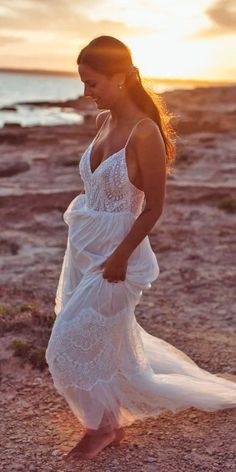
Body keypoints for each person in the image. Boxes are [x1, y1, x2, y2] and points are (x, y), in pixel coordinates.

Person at [45, 36, 236, 461]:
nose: (86, 93)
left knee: (65, 343)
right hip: (83, 247)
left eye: (92, 84)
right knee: (100, 340)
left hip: (118, 255)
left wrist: (120, 255)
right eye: (82, 83)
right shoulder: (103, 123)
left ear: (121, 77)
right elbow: (94, 192)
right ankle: (109, 424)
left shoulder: (144, 132)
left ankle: (103, 428)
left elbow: (153, 207)